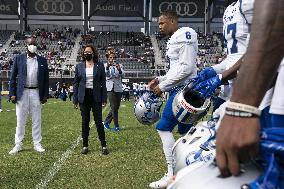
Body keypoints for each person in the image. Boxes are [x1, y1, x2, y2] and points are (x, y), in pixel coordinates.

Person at [147, 10, 198, 188]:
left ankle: (172, 173)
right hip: (182, 88)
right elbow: (176, 69)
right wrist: (160, 80)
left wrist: (163, 87)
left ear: (172, 21)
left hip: (184, 90)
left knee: (163, 127)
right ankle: (192, 169)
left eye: (162, 23)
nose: (159, 27)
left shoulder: (185, 34)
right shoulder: (175, 38)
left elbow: (186, 68)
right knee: (187, 132)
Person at [9, 37, 49, 155]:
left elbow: (46, 79)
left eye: (35, 44)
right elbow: (12, 78)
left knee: (37, 119)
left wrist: (45, 94)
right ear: (26, 45)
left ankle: (37, 143)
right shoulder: (19, 59)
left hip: (36, 92)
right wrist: (12, 93)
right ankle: (18, 144)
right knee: (20, 120)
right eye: (31, 44)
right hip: (22, 92)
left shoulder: (42, 60)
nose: (33, 46)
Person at [73, 44, 109, 155]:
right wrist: (75, 99)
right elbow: (76, 83)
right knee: (85, 121)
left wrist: (104, 98)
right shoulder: (79, 66)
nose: (87, 53)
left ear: (93, 53)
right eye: (85, 52)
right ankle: (85, 145)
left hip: (96, 96)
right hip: (84, 96)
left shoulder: (100, 65)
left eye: (89, 51)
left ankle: (103, 145)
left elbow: (103, 83)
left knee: (98, 121)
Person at [103, 52, 124, 132]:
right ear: (108, 58)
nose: (112, 59)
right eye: (111, 57)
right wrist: (108, 68)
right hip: (109, 88)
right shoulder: (105, 65)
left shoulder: (120, 65)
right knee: (113, 107)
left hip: (118, 88)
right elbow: (106, 75)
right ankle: (116, 126)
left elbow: (123, 76)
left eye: (114, 57)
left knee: (116, 107)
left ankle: (106, 122)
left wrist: (119, 70)